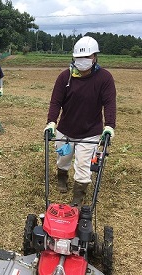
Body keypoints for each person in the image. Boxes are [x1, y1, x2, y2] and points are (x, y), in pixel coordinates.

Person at [44, 36, 116, 206]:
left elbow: (109, 103)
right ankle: (62, 177)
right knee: (63, 159)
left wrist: (110, 126)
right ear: (74, 58)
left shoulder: (104, 78)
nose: (83, 61)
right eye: (79, 58)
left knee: (83, 166)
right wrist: (51, 122)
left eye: (87, 57)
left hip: (90, 132)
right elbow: (56, 102)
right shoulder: (65, 77)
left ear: (95, 57)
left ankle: (78, 197)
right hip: (66, 129)